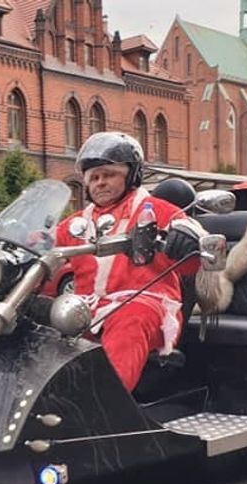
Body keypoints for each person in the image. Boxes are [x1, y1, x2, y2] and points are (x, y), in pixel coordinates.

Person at [56, 132, 204, 392]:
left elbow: (196, 253)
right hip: (87, 309)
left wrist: (189, 240)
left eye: (109, 174)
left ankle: (105, 409)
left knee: (130, 318)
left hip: (147, 304)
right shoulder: (77, 223)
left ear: (131, 175)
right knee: (37, 320)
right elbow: (43, 247)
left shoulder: (158, 210)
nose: (100, 183)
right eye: (94, 177)